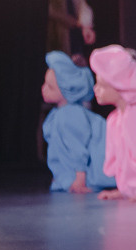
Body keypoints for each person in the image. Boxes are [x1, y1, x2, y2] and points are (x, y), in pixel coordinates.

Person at [89, 45, 136, 201]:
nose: (96, 89)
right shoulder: (116, 118)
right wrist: (127, 190)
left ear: (121, 86)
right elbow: (125, 160)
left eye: (102, 85)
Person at [41, 51, 115, 193]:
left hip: (95, 168)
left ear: (68, 89)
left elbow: (78, 148)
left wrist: (80, 178)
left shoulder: (69, 113)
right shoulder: (59, 113)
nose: (43, 89)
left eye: (50, 86)